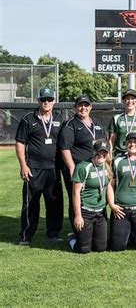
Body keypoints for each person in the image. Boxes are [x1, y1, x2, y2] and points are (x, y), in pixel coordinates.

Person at [16, 87, 64, 245]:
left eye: (49, 99)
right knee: (31, 203)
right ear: (38, 101)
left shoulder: (59, 118)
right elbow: (20, 143)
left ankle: (53, 234)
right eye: (43, 99)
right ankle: (26, 236)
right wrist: (23, 165)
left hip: (54, 168)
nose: (46, 102)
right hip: (34, 168)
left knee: (54, 202)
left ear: (54, 101)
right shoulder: (28, 119)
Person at [59, 95, 107, 230]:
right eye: (80, 105)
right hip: (79, 169)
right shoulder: (70, 124)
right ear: (75, 108)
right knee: (77, 197)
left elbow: (104, 145)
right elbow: (65, 147)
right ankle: (77, 230)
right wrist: (71, 167)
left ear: (91, 107)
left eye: (86, 105)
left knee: (98, 194)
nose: (83, 108)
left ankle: (97, 227)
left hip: (96, 167)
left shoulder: (96, 124)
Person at [69, 140, 111, 253]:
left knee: (101, 248)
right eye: (98, 152)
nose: (101, 155)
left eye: (104, 153)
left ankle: (88, 236)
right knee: (83, 250)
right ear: (93, 151)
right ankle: (72, 238)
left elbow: (109, 186)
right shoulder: (83, 167)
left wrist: (112, 205)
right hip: (86, 211)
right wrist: (78, 216)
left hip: (100, 212)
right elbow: (76, 192)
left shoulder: (107, 166)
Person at [108, 89, 136, 156]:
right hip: (121, 155)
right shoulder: (116, 118)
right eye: (127, 99)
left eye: (133, 98)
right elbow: (111, 141)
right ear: (123, 101)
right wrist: (109, 158)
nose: (130, 101)